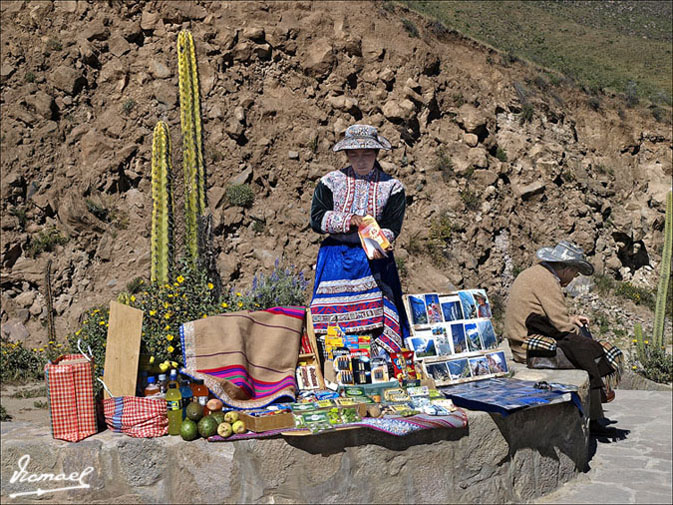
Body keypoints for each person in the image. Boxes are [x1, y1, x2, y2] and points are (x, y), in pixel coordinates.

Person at [309, 124, 409, 358]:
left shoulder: (391, 187)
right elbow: (316, 218)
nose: (361, 160)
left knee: (379, 315)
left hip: (373, 258)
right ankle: (335, 365)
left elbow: (393, 225)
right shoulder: (330, 182)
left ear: (376, 154)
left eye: (367, 154)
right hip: (336, 257)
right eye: (354, 155)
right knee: (333, 320)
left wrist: (381, 239)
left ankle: (380, 365)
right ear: (346, 155)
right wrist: (348, 220)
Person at [504, 240, 620, 435]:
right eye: (574, 273)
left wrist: (573, 320)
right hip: (527, 348)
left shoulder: (537, 274)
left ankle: (596, 414)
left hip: (522, 338)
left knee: (583, 345)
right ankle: (596, 416)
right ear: (565, 268)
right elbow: (561, 325)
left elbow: (548, 314)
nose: (573, 278)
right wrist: (584, 339)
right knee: (587, 353)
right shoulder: (547, 280)